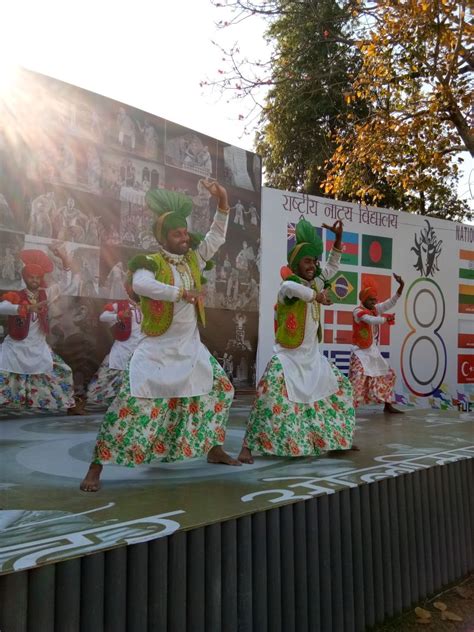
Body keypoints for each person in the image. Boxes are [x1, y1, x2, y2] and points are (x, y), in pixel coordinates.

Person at [80, 181, 240, 492]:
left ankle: (214, 448)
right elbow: (141, 285)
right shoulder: (150, 263)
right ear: (163, 237)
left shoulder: (194, 257)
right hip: (156, 350)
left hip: (191, 348)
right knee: (130, 407)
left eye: (185, 233)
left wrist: (223, 202)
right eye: (177, 234)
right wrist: (181, 292)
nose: (184, 238)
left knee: (222, 390)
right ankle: (96, 466)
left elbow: (216, 236)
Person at [238, 218, 356, 463]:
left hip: (313, 359)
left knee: (341, 390)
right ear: (296, 264)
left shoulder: (316, 283)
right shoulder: (288, 286)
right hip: (288, 359)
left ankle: (338, 440)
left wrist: (338, 241)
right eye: (307, 261)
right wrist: (317, 296)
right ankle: (248, 447)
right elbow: (297, 291)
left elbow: (332, 268)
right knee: (268, 400)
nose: (312, 265)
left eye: (314, 261)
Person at [0, 248, 75, 411]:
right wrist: (25, 308)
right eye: (31, 277)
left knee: (64, 371)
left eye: (37, 278)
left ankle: (62, 404)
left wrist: (66, 263)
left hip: (38, 346)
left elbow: (64, 284)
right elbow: (2, 307)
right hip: (15, 347)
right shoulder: (16, 296)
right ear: (25, 277)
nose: (34, 280)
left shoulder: (46, 295)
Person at [349, 274, 405, 413]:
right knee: (357, 380)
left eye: (375, 300)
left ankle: (388, 405)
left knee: (388, 375)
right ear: (364, 300)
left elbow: (389, 303)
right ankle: (349, 409)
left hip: (373, 351)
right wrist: (385, 319)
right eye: (371, 300)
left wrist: (401, 286)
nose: (374, 302)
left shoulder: (374, 309)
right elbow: (370, 320)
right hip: (360, 352)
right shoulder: (358, 311)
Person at [86, 285, 144, 407]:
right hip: (121, 350)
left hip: (140, 352)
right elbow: (102, 317)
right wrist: (118, 316)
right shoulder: (121, 305)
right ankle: (86, 402)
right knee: (103, 380)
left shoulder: (148, 307)